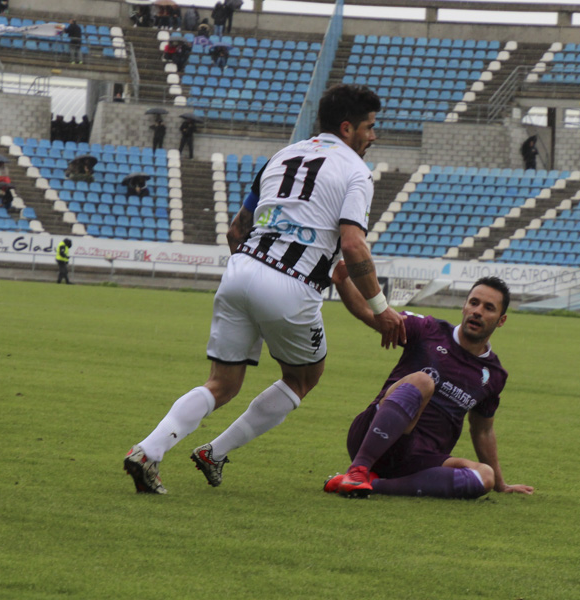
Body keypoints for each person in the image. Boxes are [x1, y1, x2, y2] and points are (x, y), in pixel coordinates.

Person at [123, 84, 404, 494]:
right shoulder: (356, 171)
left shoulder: (283, 155)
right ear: (347, 128)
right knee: (303, 378)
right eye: (369, 128)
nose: (373, 137)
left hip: (239, 271)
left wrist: (253, 271)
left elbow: (237, 229)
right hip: (290, 285)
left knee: (221, 383)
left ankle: (148, 452)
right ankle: (214, 452)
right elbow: (353, 244)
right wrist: (382, 308)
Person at [323, 274, 534, 499]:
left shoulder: (494, 375)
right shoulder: (429, 330)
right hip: (372, 437)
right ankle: (358, 470)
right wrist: (343, 282)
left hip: (421, 459)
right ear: (464, 306)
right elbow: (371, 314)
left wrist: (501, 484)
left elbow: (483, 430)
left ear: (501, 320)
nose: (478, 311)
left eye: (489, 308)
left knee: (485, 477)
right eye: (474, 303)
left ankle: (375, 485)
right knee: (423, 381)